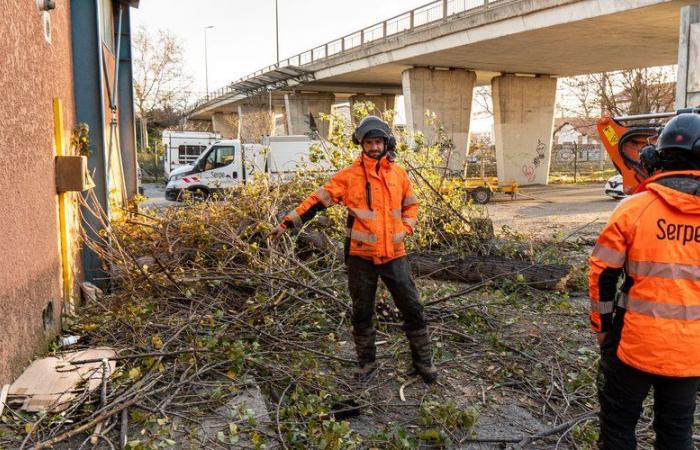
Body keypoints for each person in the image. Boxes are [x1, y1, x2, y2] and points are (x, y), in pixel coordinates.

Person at [270, 115, 437, 383]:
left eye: (377, 141)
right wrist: (288, 223)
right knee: (361, 312)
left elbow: (411, 205)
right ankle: (366, 364)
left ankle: (423, 364)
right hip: (361, 258)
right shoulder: (349, 177)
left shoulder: (399, 175)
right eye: (368, 142)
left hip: (395, 254)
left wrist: (406, 228)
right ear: (361, 144)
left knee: (413, 307)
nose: (373, 147)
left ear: (386, 142)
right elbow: (317, 201)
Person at [589, 113, 700, 449]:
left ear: (656, 158)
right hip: (690, 351)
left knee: (618, 429)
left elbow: (602, 274)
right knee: (676, 433)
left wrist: (602, 327)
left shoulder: (633, 208)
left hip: (632, 344)